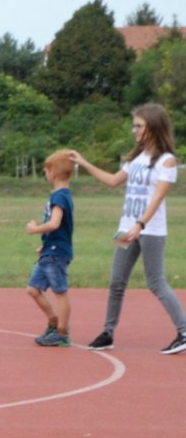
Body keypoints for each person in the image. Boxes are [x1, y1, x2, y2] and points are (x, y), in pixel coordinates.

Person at [73, 103, 185, 354]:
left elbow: (158, 198)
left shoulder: (166, 162)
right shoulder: (136, 158)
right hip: (127, 228)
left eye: (139, 126)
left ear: (154, 128)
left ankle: (184, 330)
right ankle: (108, 333)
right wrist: (84, 162)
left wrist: (141, 224)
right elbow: (113, 181)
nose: (133, 130)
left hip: (150, 230)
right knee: (116, 283)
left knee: (156, 282)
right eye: (133, 125)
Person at [26, 150, 78, 347]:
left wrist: (34, 229)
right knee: (33, 289)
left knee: (60, 292)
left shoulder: (60, 197)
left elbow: (55, 223)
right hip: (51, 249)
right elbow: (60, 227)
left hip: (56, 253)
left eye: (46, 170)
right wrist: (45, 243)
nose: (44, 173)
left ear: (53, 173)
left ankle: (62, 332)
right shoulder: (59, 195)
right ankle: (54, 322)